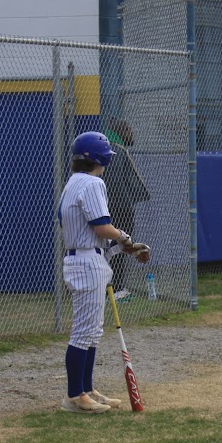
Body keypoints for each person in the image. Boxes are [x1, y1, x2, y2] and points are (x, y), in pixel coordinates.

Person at [58, 131, 151, 413]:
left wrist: (123, 248)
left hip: (86, 258)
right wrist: (125, 238)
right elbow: (101, 227)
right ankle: (75, 396)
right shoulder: (93, 182)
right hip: (86, 263)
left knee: (92, 331)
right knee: (84, 333)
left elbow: (95, 235)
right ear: (99, 158)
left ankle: (86, 389)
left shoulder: (73, 182)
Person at [102, 118, 150, 300]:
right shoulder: (120, 151)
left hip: (101, 210)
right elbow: (139, 185)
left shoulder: (100, 149)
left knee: (104, 248)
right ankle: (116, 290)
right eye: (129, 130)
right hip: (121, 207)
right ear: (121, 132)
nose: (132, 134)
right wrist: (136, 197)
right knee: (121, 247)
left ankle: (104, 289)